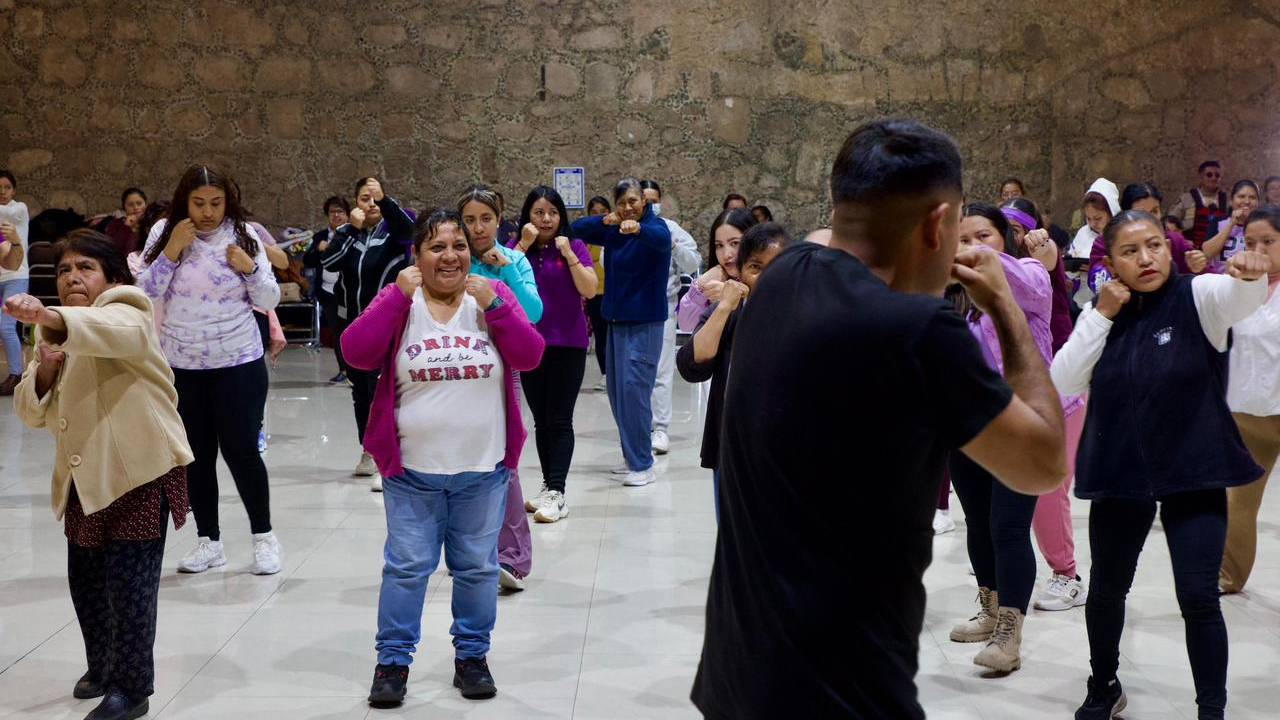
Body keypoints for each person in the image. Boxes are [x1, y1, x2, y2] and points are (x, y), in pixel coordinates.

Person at [692, 119, 1067, 719]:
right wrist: (1005, 306)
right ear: (939, 223)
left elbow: (834, 248)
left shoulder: (782, 279)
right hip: (845, 693)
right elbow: (1044, 464)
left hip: (739, 675)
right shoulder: (921, 336)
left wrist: (913, 260)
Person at [1050, 210, 1270, 720]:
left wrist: (1252, 272)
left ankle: (1211, 710)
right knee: (1107, 587)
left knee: (1198, 595)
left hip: (1194, 469)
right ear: (1111, 262)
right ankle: (1104, 684)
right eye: (1130, 251)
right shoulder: (1103, 312)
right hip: (1121, 471)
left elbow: (1239, 299)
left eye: (1154, 245)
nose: (1146, 258)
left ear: (1168, 248)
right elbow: (1063, 379)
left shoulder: (1198, 295)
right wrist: (1101, 313)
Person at [340, 210, 544, 710]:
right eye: (436, 247)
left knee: (477, 568)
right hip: (412, 472)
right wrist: (393, 296)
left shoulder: (489, 299)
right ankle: (392, 664)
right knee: (407, 568)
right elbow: (357, 353)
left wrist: (497, 304)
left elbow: (531, 353)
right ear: (417, 257)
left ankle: (472, 658)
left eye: (458, 246)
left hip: (483, 469)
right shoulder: (402, 304)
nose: (450, 256)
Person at [8, 231, 194, 720]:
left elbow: (118, 332)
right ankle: (103, 667)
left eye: (85, 268)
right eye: (65, 270)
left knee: (129, 588)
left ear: (110, 277)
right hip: (85, 481)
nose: (72, 277)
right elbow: (31, 413)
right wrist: (45, 368)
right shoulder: (55, 331)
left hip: (140, 473)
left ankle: (132, 690)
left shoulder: (128, 308)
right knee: (86, 583)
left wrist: (49, 319)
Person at [137, 164, 282, 576]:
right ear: (185, 201)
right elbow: (144, 291)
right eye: (199, 204)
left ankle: (264, 537)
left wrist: (249, 268)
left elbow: (270, 298)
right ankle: (209, 541)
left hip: (238, 362)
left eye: (215, 203)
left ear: (227, 202)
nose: (207, 212)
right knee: (196, 457)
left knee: (241, 452)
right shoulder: (166, 232)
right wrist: (169, 254)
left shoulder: (244, 235)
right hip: (183, 365)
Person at [944, 203, 1054, 672]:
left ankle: (1010, 633)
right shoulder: (955, 296)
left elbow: (1029, 280)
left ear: (1005, 239)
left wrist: (976, 257)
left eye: (983, 236)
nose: (973, 247)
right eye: (963, 239)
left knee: (1009, 528)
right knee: (979, 523)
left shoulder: (1029, 275)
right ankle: (989, 611)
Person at [999, 198, 1089, 612]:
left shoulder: (1038, 262)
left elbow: (1047, 257)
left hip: (1060, 395)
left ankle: (1067, 575)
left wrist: (1043, 242)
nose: (1009, 234)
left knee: (1049, 488)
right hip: (1018, 401)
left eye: (1017, 227)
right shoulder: (991, 273)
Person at [676, 222, 793, 519]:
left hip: (784, 451)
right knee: (732, 535)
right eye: (756, 267)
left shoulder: (803, 314)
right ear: (740, 271)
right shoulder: (728, 313)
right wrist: (725, 307)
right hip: (730, 447)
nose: (766, 277)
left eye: (776, 266)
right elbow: (692, 366)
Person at [459, 183, 542, 591]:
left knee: (504, 460)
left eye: (486, 219)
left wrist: (505, 269)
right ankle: (474, 552)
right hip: (457, 370)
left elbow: (533, 313)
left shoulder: (512, 260)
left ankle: (513, 558)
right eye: (470, 220)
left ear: (500, 218)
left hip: (503, 369)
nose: (477, 228)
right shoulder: (451, 258)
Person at [571, 178, 672, 488]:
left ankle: (643, 462)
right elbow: (577, 230)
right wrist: (607, 219)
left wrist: (638, 228)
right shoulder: (614, 230)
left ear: (644, 202)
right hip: (616, 321)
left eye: (633, 201)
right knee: (617, 393)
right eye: (622, 203)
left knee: (634, 392)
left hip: (645, 323)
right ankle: (632, 456)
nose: (628, 208)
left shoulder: (657, 229)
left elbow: (659, 240)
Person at [507, 186, 596, 523]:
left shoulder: (573, 246)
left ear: (562, 217)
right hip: (528, 343)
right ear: (527, 216)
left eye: (552, 212)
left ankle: (558, 491)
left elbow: (589, 288)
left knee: (560, 419)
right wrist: (524, 245)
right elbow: (502, 275)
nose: (546, 219)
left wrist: (569, 255)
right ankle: (549, 487)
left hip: (568, 344)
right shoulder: (519, 251)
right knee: (541, 420)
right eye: (538, 212)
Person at [321, 177, 415, 491]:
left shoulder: (395, 231)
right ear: (356, 204)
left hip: (390, 323)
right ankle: (369, 451)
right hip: (354, 325)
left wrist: (385, 201)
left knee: (390, 387)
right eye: (364, 198)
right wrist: (348, 229)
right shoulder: (350, 236)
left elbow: (407, 231)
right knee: (361, 392)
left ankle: (395, 452)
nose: (371, 204)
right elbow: (328, 261)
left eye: (375, 198)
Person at [1220, 206, 1280, 594]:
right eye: (1251, 241)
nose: (1258, 249)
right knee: (1239, 501)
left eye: (1269, 241)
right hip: (1245, 408)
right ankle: (1227, 576)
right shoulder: (1232, 287)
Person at [639, 179, 700, 456]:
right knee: (635, 371)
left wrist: (673, 245)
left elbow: (692, 263)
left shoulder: (671, 229)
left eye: (654, 200)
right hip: (632, 309)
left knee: (661, 370)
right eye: (645, 200)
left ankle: (660, 427)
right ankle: (639, 426)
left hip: (663, 307)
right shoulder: (626, 229)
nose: (650, 205)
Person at [676, 209, 756, 333]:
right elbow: (686, 326)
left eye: (735, 243)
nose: (726, 254)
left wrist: (736, 298)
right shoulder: (716, 280)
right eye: (719, 245)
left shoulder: (769, 277)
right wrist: (700, 287)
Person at [303, 195, 351, 384]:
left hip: (348, 293)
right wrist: (318, 250)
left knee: (351, 331)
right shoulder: (320, 236)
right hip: (328, 292)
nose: (336, 215)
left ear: (347, 214)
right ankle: (344, 370)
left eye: (340, 211)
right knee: (337, 332)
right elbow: (308, 261)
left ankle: (357, 370)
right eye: (332, 212)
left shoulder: (354, 233)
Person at [1113, 183, 1206, 277]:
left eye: (1154, 211)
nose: (1150, 218)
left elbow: (1208, 275)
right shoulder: (1113, 242)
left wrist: (1198, 265)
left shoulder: (1174, 240)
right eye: (1141, 213)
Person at [0, 168, 31, 394]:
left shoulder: (19, 209)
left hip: (16, 275)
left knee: (6, 325)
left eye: (7, 187)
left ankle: (16, 375)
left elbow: (6, 216)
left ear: (15, 190)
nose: (3, 192)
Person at [1067, 179, 1120, 306]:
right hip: (1082, 301)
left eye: (1097, 218)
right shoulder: (1083, 233)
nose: (1092, 224)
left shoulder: (1121, 235)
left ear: (1111, 212)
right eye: (1088, 218)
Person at [1201, 179, 1261, 273]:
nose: (1247, 201)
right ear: (1231, 201)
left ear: (1258, 203)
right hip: (1220, 280)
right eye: (1241, 196)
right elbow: (1207, 253)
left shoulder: (1262, 226)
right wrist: (1231, 224)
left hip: (1251, 280)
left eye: (1252, 197)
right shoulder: (1218, 222)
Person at [583, 196, 611, 391]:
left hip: (614, 292)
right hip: (595, 294)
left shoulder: (615, 234)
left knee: (614, 336)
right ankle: (605, 374)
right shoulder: (587, 238)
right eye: (594, 212)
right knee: (601, 336)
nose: (599, 215)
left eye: (603, 211)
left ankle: (616, 374)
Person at [1169, 161, 1230, 247]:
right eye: (1209, 175)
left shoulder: (1227, 201)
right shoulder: (1186, 199)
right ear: (1201, 177)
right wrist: (1182, 241)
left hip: (1217, 249)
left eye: (1217, 175)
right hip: (1191, 249)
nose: (1213, 178)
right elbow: (1170, 222)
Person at [103, 188, 148, 257]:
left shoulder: (151, 223)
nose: (136, 207)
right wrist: (126, 227)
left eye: (139, 203)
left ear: (146, 204)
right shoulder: (115, 225)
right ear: (124, 207)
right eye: (130, 205)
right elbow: (112, 250)